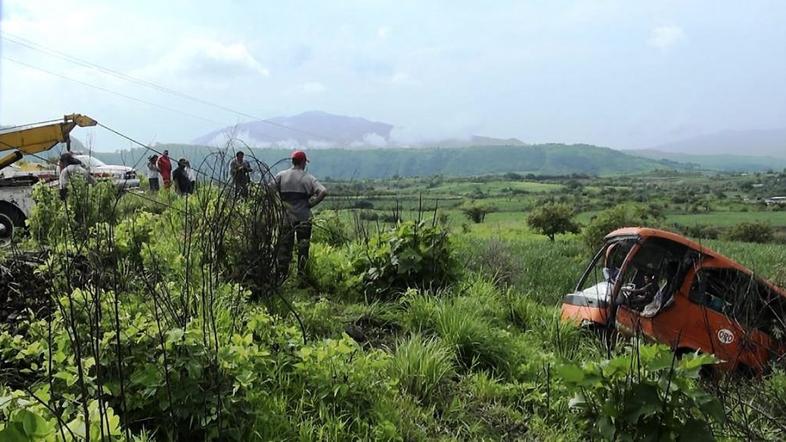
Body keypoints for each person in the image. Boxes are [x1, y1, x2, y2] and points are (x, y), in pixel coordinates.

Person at [275, 150, 327, 282]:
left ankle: (282, 276)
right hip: (304, 218)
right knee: (303, 248)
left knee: (284, 249)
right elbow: (323, 191)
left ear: (292, 162)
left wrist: (278, 205)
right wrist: (311, 204)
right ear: (303, 162)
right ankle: (302, 277)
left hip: (286, 218)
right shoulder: (308, 178)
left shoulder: (281, 175)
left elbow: (268, 190)